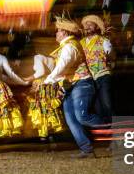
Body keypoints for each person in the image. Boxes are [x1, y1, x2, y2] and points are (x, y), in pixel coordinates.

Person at [44, 16, 104, 158]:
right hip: (73, 85)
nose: (56, 34)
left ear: (64, 32)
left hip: (82, 83)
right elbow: (63, 69)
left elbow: (62, 66)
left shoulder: (69, 47)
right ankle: (87, 150)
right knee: (72, 120)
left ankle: (116, 129)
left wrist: (47, 80)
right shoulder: (67, 46)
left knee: (82, 117)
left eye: (58, 31)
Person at [24, 54, 65, 149]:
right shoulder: (52, 58)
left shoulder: (37, 57)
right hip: (51, 84)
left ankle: (44, 139)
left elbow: (41, 72)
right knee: (49, 109)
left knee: (40, 111)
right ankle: (51, 137)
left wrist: (26, 79)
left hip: (41, 84)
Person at [80, 14, 114, 123]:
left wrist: (109, 57)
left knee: (107, 104)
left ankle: (118, 129)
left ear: (96, 27)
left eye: (90, 24)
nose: (87, 26)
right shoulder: (80, 43)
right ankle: (106, 130)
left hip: (102, 75)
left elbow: (112, 56)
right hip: (88, 79)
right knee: (97, 106)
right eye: (85, 24)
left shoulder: (104, 40)